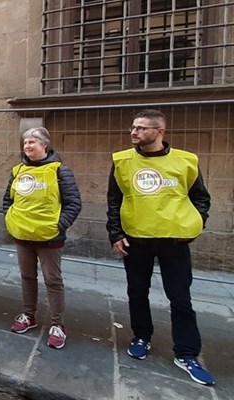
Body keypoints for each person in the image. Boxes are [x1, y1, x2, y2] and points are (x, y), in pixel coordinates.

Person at [107, 109, 214, 386]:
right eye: (133, 127)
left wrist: (196, 224)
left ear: (160, 132)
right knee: (137, 293)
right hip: (136, 239)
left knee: (180, 298)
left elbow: (200, 197)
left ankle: (187, 353)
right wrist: (115, 233)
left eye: (141, 128)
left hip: (174, 241)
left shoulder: (185, 161)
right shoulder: (121, 161)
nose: (134, 132)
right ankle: (141, 337)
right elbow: (114, 200)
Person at [3, 127, 81, 349]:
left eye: (32, 142)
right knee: (27, 276)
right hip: (22, 235)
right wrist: (11, 220)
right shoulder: (17, 170)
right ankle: (29, 315)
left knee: (53, 280)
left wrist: (58, 226)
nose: (27, 146)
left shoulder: (60, 171)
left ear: (44, 145)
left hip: (49, 238)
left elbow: (73, 203)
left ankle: (58, 324)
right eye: (25, 142)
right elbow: (8, 199)